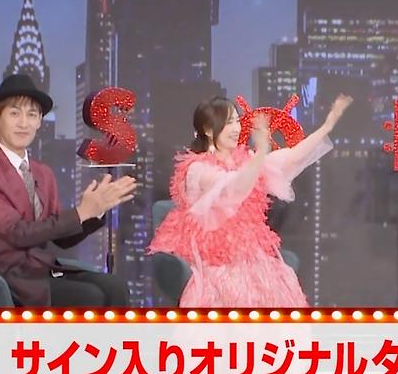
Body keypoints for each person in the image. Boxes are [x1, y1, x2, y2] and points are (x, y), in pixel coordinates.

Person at [148, 94, 353, 307]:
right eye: (228, 122)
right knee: (236, 291)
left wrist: (327, 125)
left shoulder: (246, 161)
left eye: (236, 121)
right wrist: (261, 153)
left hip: (246, 252)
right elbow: (234, 188)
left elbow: (291, 157)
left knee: (278, 285)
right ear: (208, 130)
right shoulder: (198, 170)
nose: (236, 128)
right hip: (212, 257)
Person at [0, 74, 137, 307]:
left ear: (39, 122)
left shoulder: (43, 173)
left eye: (32, 115)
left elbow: (60, 237)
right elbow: (17, 233)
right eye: (14, 113)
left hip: (42, 271)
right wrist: (80, 213)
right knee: (91, 297)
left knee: (115, 287)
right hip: (4, 278)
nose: (24, 123)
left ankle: (119, 334)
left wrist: (96, 211)